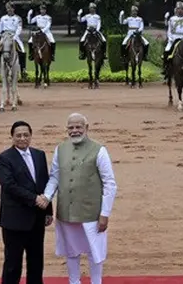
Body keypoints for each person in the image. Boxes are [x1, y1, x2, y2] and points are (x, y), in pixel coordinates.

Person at [39, 113, 117, 284]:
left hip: (92, 212)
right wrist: (46, 196)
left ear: (86, 128)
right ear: (66, 129)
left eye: (78, 127)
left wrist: (105, 213)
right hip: (66, 210)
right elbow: (54, 177)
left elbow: (110, 184)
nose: (75, 131)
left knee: (94, 252)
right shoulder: (61, 149)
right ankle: (74, 282)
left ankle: (96, 282)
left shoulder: (99, 150)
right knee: (71, 251)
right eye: (71, 128)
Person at [0, 120, 53, 284]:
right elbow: (8, 185)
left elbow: (44, 183)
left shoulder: (39, 155)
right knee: (13, 264)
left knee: (36, 262)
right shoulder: (4, 158)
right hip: (14, 220)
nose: (22, 138)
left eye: (26, 135)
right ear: (12, 137)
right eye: (18, 135)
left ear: (31, 136)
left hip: (37, 218)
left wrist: (48, 211)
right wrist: (34, 199)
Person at [0, 2, 26, 79]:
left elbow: (19, 29)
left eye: (10, 8)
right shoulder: (3, 18)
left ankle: (23, 69)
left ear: (13, 9)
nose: (9, 9)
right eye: (7, 8)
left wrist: (15, 36)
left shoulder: (18, 18)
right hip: (4, 36)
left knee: (22, 50)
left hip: (14, 35)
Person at [162, 0, 183, 77]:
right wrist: (170, 38)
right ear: (176, 10)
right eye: (179, 9)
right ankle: (166, 68)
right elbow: (169, 30)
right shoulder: (172, 19)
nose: (180, 10)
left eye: (182, 9)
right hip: (173, 38)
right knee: (166, 51)